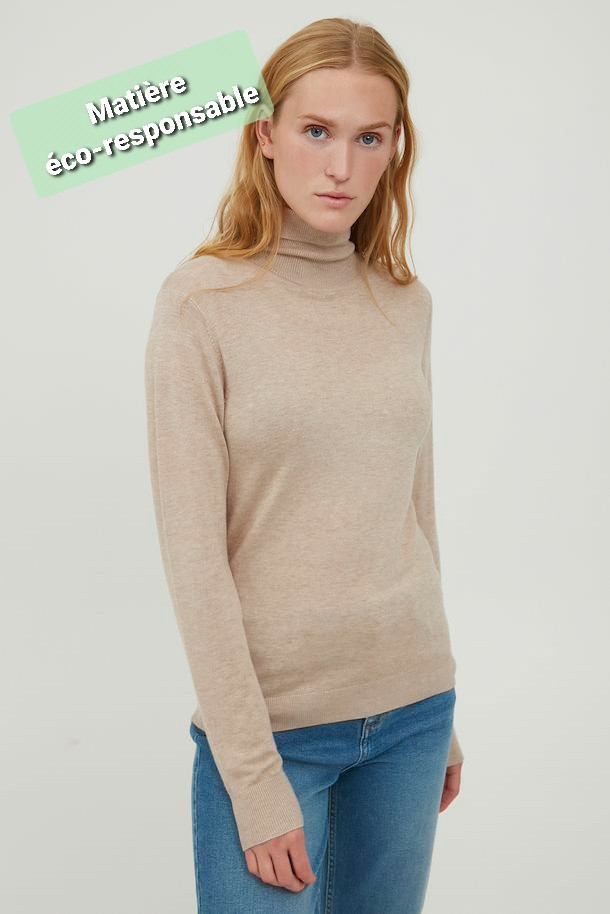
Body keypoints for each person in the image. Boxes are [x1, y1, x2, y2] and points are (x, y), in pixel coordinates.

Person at [145, 16, 464, 913]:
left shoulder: (404, 301)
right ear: (265, 136)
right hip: (274, 734)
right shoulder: (201, 303)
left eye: (370, 138)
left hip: (413, 714)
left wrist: (440, 717)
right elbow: (193, 558)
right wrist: (252, 778)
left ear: (395, 148)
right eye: (316, 130)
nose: (341, 167)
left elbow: (414, 509)